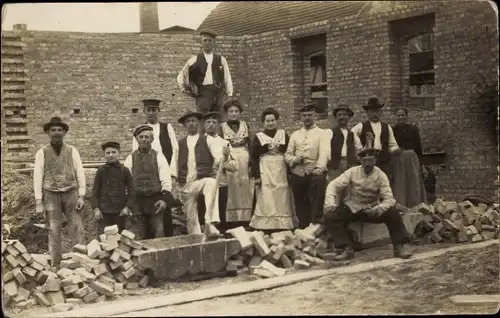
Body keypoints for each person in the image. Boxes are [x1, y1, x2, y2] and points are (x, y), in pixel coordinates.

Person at [323, 146, 413, 261]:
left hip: (372, 208)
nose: (368, 164)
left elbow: (389, 199)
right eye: (365, 161)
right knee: (331, 215)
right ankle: (346, 248)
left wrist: (378, 209)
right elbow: (333, 185)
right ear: (361, 161)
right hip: (354, 207)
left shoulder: (381, 175)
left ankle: (399, 247)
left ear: (375, 161)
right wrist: (330, 203)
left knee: (393, 213)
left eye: (371, 160)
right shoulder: (352, 172)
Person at [34, 117, 86, 267]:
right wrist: (38, 201)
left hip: (71, 193)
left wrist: (81, 196)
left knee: (77, 227)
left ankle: (81, 262)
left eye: (59, 130)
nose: (56, 133)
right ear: (48, 133)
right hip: (50, 194)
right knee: (54, 229)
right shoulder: (41, 153)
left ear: (64, 132)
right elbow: (37, 176)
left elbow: (80, 173)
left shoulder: (72, 151)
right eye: (53, 130)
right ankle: (56, 265)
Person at [173, 111, 227, 235]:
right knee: (191, 217)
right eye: (188, 121)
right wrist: (174, 186)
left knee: (211, 183)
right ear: (185, 125)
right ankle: (195, 236)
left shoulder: (208, 140)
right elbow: (173, 165)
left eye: (194, 121)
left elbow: (219, 158)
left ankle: (211, 222)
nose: (191, 123)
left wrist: (224, 155)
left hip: (200, 181)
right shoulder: (179, 143)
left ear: (199, 123)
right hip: (185, 185)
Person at [132, 98, 179, 237]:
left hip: (164, 171)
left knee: (164, 208)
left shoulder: (166, 127)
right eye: (148, 110)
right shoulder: (140, 132)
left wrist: (173, 175)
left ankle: (167, 238)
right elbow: (135, 155)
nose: (151, 113)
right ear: (144, 112)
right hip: (147, 173)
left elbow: (175, 150)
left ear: (158, 111)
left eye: (154, 110)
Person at [125, 125, 177, 239]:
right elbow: (126, 182)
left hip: (155, 201)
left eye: (147, 137)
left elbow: (166, 180)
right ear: (137, 139)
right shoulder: (130, 158)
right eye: (141, 137)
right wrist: (129, 204)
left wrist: (163, 199)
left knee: (159, 233)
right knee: (139, 236)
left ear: (152, 140)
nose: (144, 139)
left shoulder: (159, 156)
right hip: (137, 202)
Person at [249, 108, 297, 232]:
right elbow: (253, 158)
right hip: (265, 170)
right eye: (267, 121)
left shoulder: (283, 135)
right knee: (267, 196)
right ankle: (266, 227)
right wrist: (257, 176)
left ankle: (283, 225)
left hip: (281, 169)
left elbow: (289, 153)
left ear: (276, 121)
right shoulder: (258, 137)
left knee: (282, 195)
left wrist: (290, 173)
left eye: (272, 120)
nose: (270, 123)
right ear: (263, 123)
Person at [285, 103, 329, 229]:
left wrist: (319, 169)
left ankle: (315, 227)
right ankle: (303, 228)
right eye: (304, 115)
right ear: (301, 117)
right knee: (300, 202)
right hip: (298, 173)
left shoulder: (322, 133)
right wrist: (295, 159)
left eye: (310, 115)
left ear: (315, 116)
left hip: (314, 173)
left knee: (316, 201)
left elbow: (324, 153)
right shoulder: (295, 135)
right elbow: (287, 156)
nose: (307, 118)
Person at [196, 111, 238, 233]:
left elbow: (234, 166)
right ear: (204, 125)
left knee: (220, 213)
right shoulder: (199, 141)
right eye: (208, 122)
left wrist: (226, 162)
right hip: (204, 183)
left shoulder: (225, 143)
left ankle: (220, 238)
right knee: (204, 212)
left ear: (218, 125)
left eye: (214, 122)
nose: (211, 125)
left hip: (221, 183)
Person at [176, 29, 233, 115]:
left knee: (218, 120)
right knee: (203, 120)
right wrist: (184, 90)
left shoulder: (221, 59)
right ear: (201, 42)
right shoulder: (194, 60)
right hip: (203, 95)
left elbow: (227, 78)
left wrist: (230, 94)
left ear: (214, 42)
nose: (207, 43)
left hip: (218, 95)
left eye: (210, 40)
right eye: (205, 40)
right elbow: (181, 76)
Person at [220, 99, 254, 229]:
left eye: (236, 111)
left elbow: (250, 143)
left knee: (245, 187)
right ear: (227, 113)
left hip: (244, 158)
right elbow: (220, 144)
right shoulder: (222, 127)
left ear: (240, 113)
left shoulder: (245, 125)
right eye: (231, 111)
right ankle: (231, 220)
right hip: (230, 157)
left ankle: (245, 219)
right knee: (232, 187)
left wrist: (251, 161)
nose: (233, 114)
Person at [91, 141, 135, 235]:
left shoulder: (125, 170)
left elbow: (132, 191)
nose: (111, 155)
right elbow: (95, 191)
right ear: (104, 155)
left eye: (114, 152)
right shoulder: (101, 171)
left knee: (119, 238)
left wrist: (128, 207)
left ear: (119, 153)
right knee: (104, 239)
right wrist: (96, 209)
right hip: (103, 212)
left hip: (120, 212)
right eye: (108, 153)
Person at [351, 97, 402, 178]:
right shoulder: (361, 126)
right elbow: (350, 136)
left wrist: (395, 150)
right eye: (372, 111)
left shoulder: (387, 127)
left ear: (380, 112)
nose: (375, 114)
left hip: (383, 163)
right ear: (367, 113)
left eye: (377, 111)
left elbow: (392, 145)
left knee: (383, 186)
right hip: (367, 163)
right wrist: (360, 149)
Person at [391, 108, 427, 208]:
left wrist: (422, 165)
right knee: (400, 182)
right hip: (398, 158)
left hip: (412, 159)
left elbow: (419, 148)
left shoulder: (413, 129)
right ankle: (401, 206)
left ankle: (415, 205)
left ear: (407, 116)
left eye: (403, 115)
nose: (401, 117)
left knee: (413, 181)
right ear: (395, 117)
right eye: (398, 115)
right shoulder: (392, 130)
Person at [326, 104, 363, 182]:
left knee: (348, 188)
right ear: (336, 118)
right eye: (339, 115)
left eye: (345, 115)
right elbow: (325, 149)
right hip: (335, 165)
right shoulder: (330, 132)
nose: (342, 117)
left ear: (349, 117)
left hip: (349, 164)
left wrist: (356, 159)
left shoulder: (353, 134)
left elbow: (360, 149)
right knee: (335, 187)